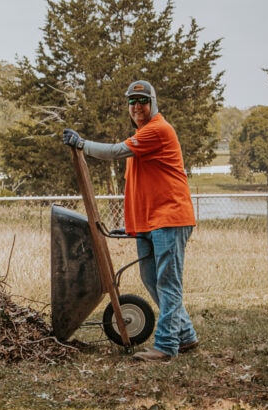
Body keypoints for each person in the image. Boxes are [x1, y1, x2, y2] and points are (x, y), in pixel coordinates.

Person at [63, 80, 199, 361]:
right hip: (150, 223)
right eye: (132, 102)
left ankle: (166, 346)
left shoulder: (158, 130)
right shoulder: (142, 138)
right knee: (151, 279)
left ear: (153, 103)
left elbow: (113, 152)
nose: (137, 106)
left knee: (167, 283)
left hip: (170, 218)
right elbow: (141, 188)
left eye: (142, 101)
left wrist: (82, 144)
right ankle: (185, 335)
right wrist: (134, 225)